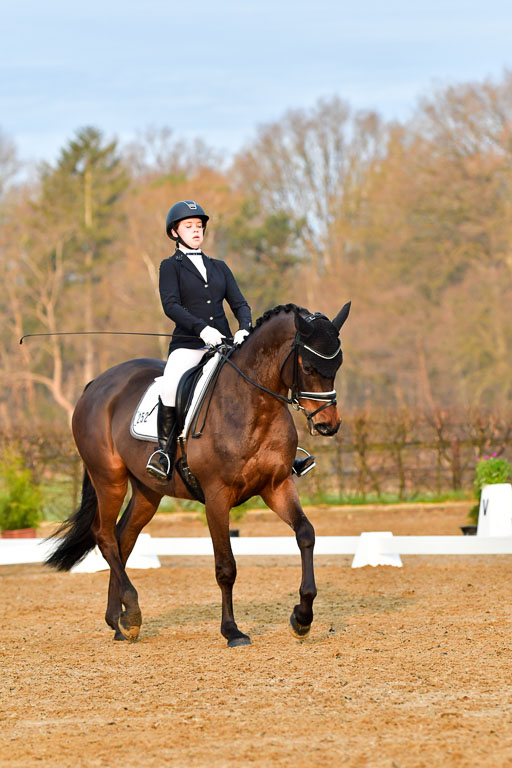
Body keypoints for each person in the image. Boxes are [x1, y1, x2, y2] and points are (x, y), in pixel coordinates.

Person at [146, 200, 252, 482]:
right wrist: (201, 329)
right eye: (189, 226)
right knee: (169, 387)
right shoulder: (170, 267)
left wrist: (244, 328)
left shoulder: (219, 267)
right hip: (189, 345)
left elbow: (240, 304)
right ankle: (164, 452)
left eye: (199, 226)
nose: (196, 230)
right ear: (174, 233)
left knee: (259, 380)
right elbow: (171, 305)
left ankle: (285, 452)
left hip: (226, 346)